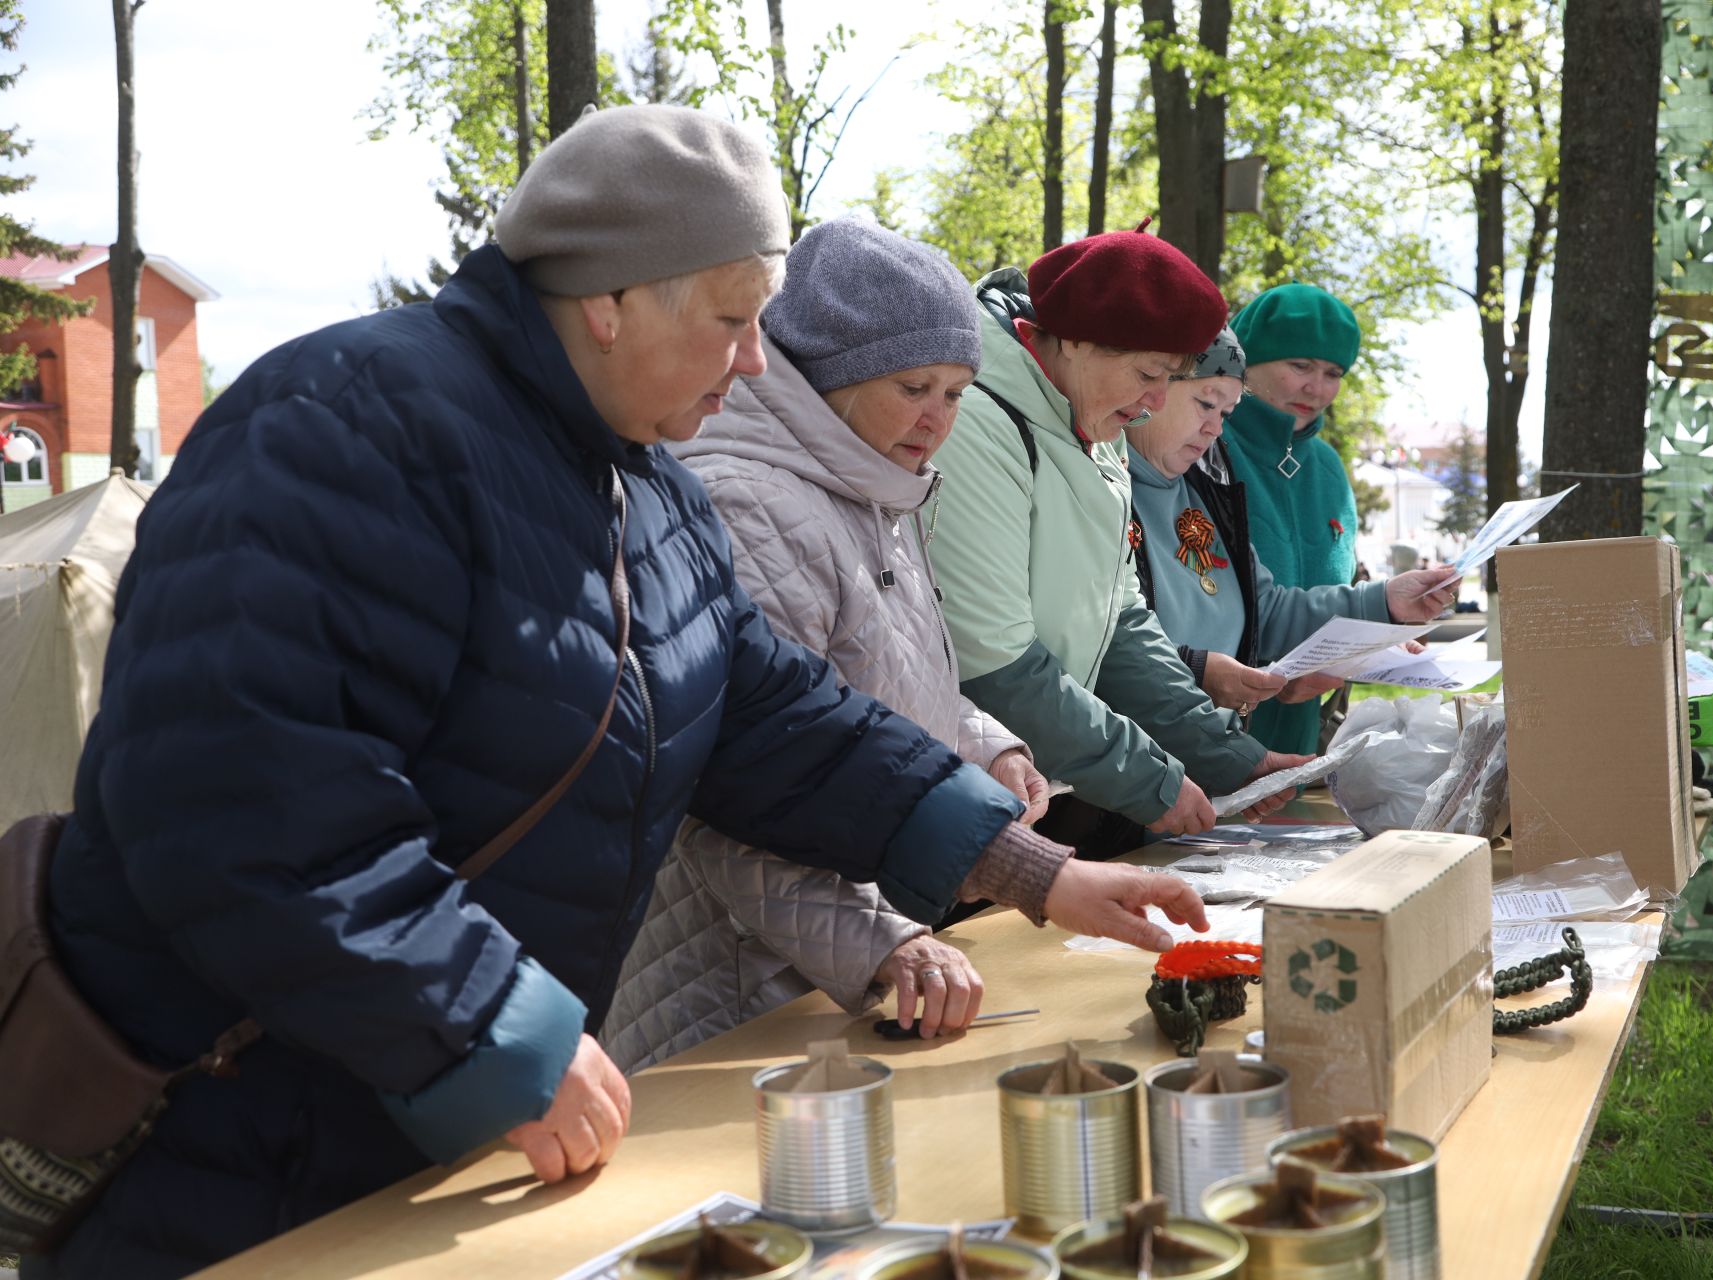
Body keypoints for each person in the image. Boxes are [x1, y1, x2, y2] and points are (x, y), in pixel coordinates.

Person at [26, 107, 1205, 1279]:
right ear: (613, 300)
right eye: (736, 321)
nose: (757, 360)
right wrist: (493, 1027)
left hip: (418, 1125)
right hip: (237, 1132)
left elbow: (770, 717)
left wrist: (1034, 870)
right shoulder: (343, 428)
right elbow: (242, 799)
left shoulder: (644, 485)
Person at [603, 216, 1048, 1070]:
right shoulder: (752, 504)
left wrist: (984, 748)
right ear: (831, 376)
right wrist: (882, 942)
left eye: (956, 393)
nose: (936, 418)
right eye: (914, 386)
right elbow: (741, 782)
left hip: (847, 955)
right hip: (740, 977)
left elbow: (877, 682)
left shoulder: (875, 486)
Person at [927, 229, 1309, 861]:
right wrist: (1150, 780)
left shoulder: (1094, 414)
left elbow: (1119, 614)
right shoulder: (979, 421)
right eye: (1149, 374)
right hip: (959, 785)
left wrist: (1226, 754)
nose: (1155, 402)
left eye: (1172, 378)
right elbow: (995, 660)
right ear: (1075, 341)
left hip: (1036, 779)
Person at [1124, 324, 1458, 719]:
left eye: (1226, 412)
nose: (1215, 428)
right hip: (1137, 764)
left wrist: (1383, 600)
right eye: (1205, 403)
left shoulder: (1208, 491)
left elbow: (1264, 608)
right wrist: (1197, 672)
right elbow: (1111, 648)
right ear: (1151, 388)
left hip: (1210, 758)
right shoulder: (1103, 490)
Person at [1221, 283, 1369, 756]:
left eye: (1332, 372)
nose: (1316, 387)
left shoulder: (1328, 467)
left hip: (1301, 744)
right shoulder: (1204, 443)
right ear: (1248, 360)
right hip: (1205, 739)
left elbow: (1335, 585)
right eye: (1299, 365)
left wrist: (1364, 652)